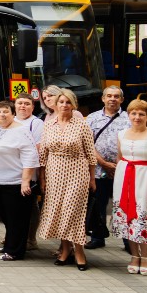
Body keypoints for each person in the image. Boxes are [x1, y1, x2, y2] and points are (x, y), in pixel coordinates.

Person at [38, 88, 97, 271]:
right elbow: (43, 154)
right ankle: (65, 249)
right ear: (55, 104)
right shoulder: (49, 124)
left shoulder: (82, 125)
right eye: (61, 102)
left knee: (73, 212)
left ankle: (79, 251)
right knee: (59, 212)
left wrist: (92, 179)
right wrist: (42, 178)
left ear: (73, 105)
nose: (64, 105)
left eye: (68, 102)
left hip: (77, 172)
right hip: (54, 172)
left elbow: (91, 155)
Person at [113, 99, 147, 276]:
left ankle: (145, 256)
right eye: (134, 113)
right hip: (125, 179)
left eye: (141, 114)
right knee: (129, 218)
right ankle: (134, 255)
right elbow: (120, 157)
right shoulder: (122, 134)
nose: (137, 117)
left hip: (146, 178)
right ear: (128, 115)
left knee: (144, 216)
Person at [0, 100, 39, 261]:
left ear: (13, 114)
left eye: (5, 112)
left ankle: (15, 251)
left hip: (15, 182)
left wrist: (25, 181)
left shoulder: (21, 131)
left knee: (17, 218)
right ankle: (10, 244)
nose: (1, 115)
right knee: (6, 216)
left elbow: (30, 156)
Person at [85, 86, 130, 250]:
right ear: (103, 99)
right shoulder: (92, 118)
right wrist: (103, 163)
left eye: (116, 96)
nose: (112, 99)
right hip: (98, 169)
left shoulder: (129, 118)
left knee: (124, 206)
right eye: (109, 96)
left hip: (123, 170)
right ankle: (97, 237)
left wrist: (119, 164)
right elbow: (87, 144)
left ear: (122, 100)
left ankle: (127, 240)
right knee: (98, 205)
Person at [13, 92, 45, 250]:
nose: (23, 106)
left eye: (27, 104)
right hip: (11, 169)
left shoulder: (36, 123)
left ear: (32, 107)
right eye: (20, 103)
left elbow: (37, 147)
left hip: (29, 169)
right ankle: (15, 235)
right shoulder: (10, 120)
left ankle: (31, 239)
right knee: (13, 204)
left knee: (30, 204)